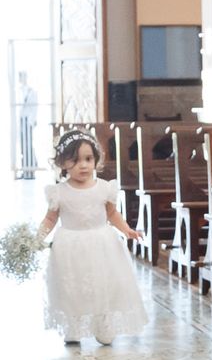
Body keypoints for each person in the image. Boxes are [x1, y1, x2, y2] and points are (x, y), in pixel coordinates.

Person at [39, 131, 149, 345]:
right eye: (76, 160)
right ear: (63, 162)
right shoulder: (59, 192)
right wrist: (36, 238)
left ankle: (104, 324)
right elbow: (50, 219)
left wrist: (127, 230)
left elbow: (111, 213)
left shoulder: (104, 188)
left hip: (101, 243)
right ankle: (73, 326)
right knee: (72, 286)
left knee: (104, 283)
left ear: (96, 160)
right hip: (70, 245)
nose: (83, 165)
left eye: (88, 159)